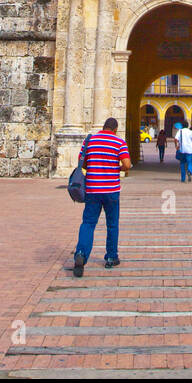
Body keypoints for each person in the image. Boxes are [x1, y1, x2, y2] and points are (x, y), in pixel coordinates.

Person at [73, 117, 131, 276]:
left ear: (103, 127)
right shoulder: (119, 143)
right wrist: (116, 167)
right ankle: (111, 257)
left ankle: (81, 254)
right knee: (112, 225)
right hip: (111, 190)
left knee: (88, 224)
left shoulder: (90, 141)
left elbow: (82, 162)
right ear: (115, 129)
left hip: (92, 190)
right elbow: (127, 165)